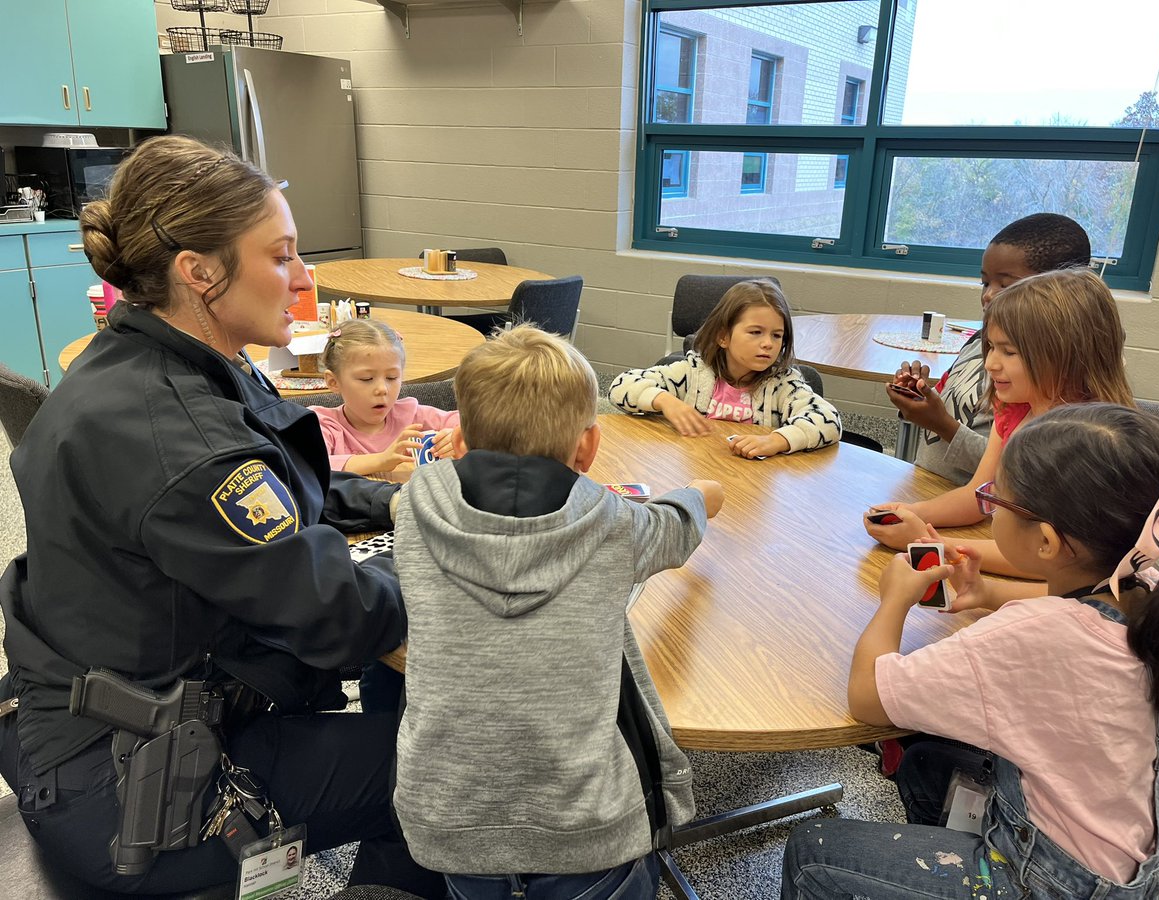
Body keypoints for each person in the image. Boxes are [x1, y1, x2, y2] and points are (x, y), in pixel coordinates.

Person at [0, 136, 442, 897]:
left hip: (100, 715)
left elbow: (280, 487)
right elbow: (340, 617)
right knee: (459, 763)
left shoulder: (160, 362)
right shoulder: (180, 439)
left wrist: (398, 502)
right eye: (281, 256)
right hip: (135, 789)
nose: (303, 278)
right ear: (199, 272)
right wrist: (473, 576)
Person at [783, 403, 1159, 899]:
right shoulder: (1152, 591)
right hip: (1132, 859)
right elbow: (1068, 628)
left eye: (996, 500)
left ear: (1046, 541)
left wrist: (893, 600)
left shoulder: (1036, 633)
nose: (991, 506)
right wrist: (987, 593)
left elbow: (867, 697)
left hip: (1055, 881)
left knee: (812, 852)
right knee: (926, 764)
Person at [389, 325, 724, 899]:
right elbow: (677, 526)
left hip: (448, 819)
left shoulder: (415, 512)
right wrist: (700, 493)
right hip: (588, 829)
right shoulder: (618, 525)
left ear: (460, 441)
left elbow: (404, 497)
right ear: (588, 448)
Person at [865, 267, 1134, 576]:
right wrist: (910, 512)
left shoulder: (1087, 442)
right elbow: (978, 496)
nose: (990, 364)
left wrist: (929, 544)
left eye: (1009, 351)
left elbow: (1051, 560)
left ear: (1067, 354)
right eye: (991, 347)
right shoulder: (1013, 410)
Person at [888, 213, 1091, 485]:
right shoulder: (979, 342)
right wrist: (918, 395)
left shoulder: (1044, 377)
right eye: (985, 282)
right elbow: (948, 399)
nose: (988, 295)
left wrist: (942, 425)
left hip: (973, 502)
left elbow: (1014, 468)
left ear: (1056, 292)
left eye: (1006, 285)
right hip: (927, 485)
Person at [608, 279, 842, 458]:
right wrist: (665, 401)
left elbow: (829, 421)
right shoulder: (694, 373)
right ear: (723, 337)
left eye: (777, 335)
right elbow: (620, 386)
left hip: (754, 481)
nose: (768, 343)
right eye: (756, 332)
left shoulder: (782, 383)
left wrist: (777, 440)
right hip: (699, 468)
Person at [313, 318, 459, 477]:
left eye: (391, 377)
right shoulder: (323, 425)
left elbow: (473, 425)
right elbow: (309, 466)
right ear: (333, 382)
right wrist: (382, 460)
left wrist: (456, 437)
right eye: (366, 379)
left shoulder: (412, 415)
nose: (382, 389)